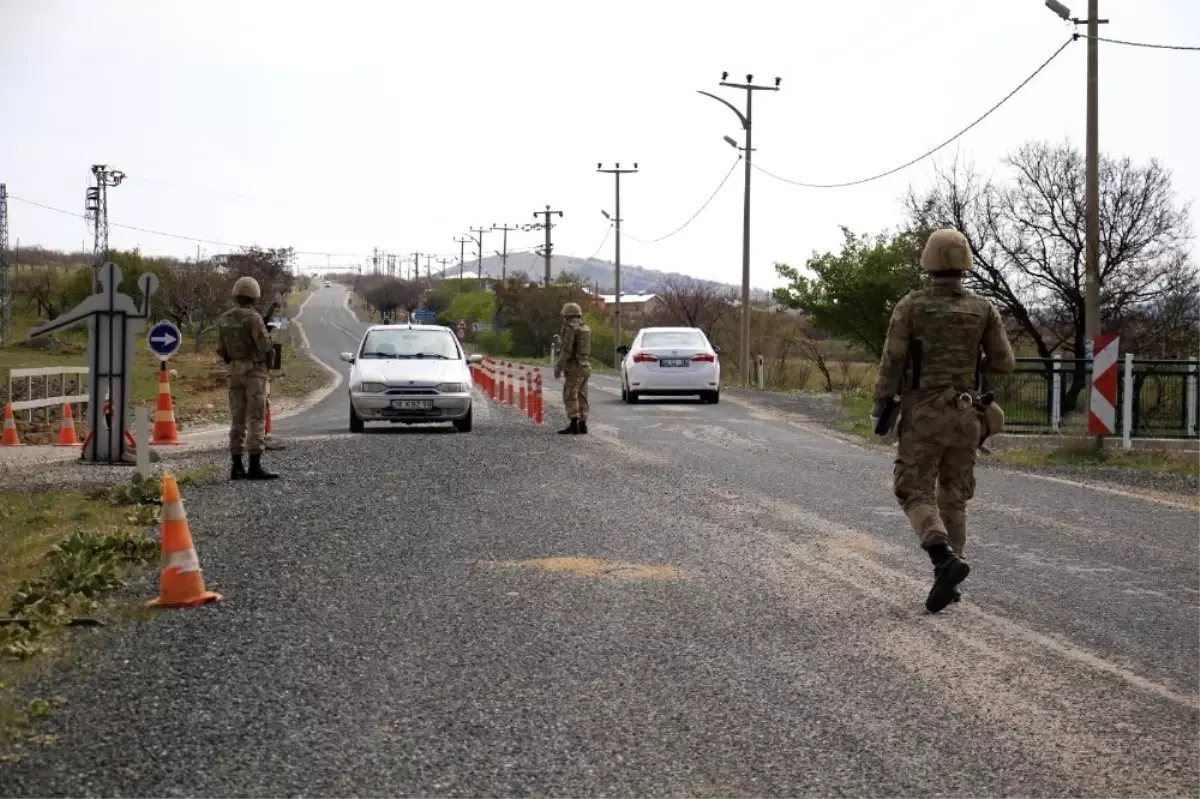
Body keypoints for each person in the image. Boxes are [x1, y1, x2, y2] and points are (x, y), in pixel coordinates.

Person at [872, 229, 1015, 613]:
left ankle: (941, 557)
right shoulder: (984, 308)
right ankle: (948, 580)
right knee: (954, 495)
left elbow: (892, 362)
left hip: (923, 414)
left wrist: (881, 404)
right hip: (969, 413)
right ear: (966, 263)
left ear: (928, 262)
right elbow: (1005, 362)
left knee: (912, 489)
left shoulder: (911, 306)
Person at [217, 276, 279, 480]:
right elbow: (265, 346)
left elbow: (221, 350)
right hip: (255, 373)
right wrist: (269, 334)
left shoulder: (225, 318)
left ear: (236, 294)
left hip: (234, 372)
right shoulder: (254, 318)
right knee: (256, 417)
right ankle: (254, 465)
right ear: (255, 295)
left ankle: (236, 465)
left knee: (237, 419)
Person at [553, 301, 592, 435]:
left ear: (568, 315)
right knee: (582, 396)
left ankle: (573, 424)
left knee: (570, 394)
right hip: (585, 366)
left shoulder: (570, 328)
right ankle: (583, 424)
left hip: (574, 368)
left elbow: (567, 351)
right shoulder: (584, 327)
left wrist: (558, 367)